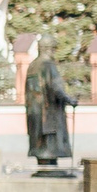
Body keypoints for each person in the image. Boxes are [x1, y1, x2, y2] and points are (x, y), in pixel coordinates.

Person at [23, 32, 77, 174]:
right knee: (50, 142)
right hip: (48, 112)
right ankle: (50, 169)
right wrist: (69, 99)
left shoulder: (33, 65)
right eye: (53, 48)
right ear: (48, 48)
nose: (54, 51)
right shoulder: (47, 65)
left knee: (40, 142)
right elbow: (55, 87)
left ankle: (44, 167)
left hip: (34, 112)